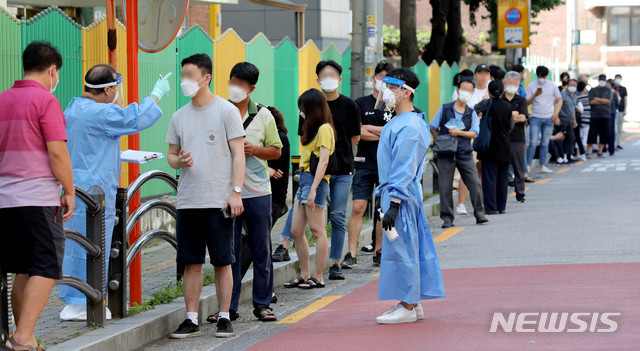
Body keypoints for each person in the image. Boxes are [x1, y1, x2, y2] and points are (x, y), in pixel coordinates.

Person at [59, 64, 170, 321]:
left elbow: (89, 147)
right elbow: (136, 119)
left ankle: (74, 298)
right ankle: (84, 302)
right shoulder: (103, 112)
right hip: (95, 190)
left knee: (75, 244)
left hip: (75, 186)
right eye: (116, 88)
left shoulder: (74, 108)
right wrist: (156, 95)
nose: (117, 93)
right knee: (95, 243)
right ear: (108, 89)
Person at [0, 41, 74, 351]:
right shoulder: (45, 102)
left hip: (5, 200)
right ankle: (23, 339)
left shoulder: (3, 99)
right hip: (38, 198)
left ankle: (24, 340)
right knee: (45, 267)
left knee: (24, 268)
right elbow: (57, 152)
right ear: (52, 70)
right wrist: (69, 190)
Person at [166, 53, 245, 339]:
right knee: (191, 262)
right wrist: (180, 162)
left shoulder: (226, 111)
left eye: (190, 75)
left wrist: (236, 192)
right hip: (188, 200)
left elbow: (239, 154)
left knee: (223, 261)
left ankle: (224, 315)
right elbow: (171, 157)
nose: (185, 81)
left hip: (219, 200)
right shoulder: (179, 116)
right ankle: (191, 318)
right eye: (183, 75)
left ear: (205, 78)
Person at [374, 68, 445, 324]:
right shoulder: (399, 122)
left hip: (400, 195)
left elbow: (403, 169)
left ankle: (407, 304)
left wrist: (393, 203)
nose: (386, 93)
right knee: (406, 247)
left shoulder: (411, 127)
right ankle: (412, 301)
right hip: (396, 192)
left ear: (405, 92)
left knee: (403, 248)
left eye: (391, 88)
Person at [224, 62, 282, 323]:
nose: (235, 87)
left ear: (252, 88)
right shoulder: (219, 110)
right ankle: (229, 307)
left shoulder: (264, 115)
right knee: (229, 251)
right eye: (232, 81)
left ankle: (262, 303)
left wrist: (254, 150)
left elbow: (277, 151)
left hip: (258, 191)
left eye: (241, 84)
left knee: (261, 249)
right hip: (226, 192)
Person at [342, 60, 393, 270]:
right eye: (380, 77)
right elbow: (357, 132)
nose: (383, 82)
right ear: (374, 78)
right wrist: (380, 132)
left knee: (382, 209)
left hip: (385, 166)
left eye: (388, 79)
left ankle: (378, 250)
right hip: (363, 163)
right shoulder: (360, 103)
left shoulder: (393, 106)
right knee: (357, 207)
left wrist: (370, 129)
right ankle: (351, 253)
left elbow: (392, 135)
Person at [283, 88, 335, 290]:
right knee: (296, 231)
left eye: (303, 108)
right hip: (304, 180)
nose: (301, 112)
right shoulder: (310, 128)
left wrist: (313, 189)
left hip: (316, 181)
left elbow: (323, 162)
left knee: (318, 230)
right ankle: (304, 274)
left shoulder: (324, 129)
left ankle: (319, 276)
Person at [430, 77, 488, 228]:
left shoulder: (471, 112)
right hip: (446, 154)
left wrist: (459, 134)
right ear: (457, 90)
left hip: (465, 152)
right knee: (445, 186)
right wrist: (443, 140)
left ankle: (479, 213)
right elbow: (433, 127)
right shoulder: (445, 109)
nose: (466, 93)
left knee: (474, 183)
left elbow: (474, 133)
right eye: (463, 90)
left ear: (473, 92)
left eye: (469, 91)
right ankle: (447, 218)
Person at [452, 64, 490, 216]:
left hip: (485, 134)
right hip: (468, 136)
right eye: (480, 73)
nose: (483, 76)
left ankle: (481, 203)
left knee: (482, 169)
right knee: (469, 170)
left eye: (485, 73)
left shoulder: (490, 90)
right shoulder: (463, 93)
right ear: (475, 76)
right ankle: (461, 203)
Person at [478, 81, 513, 214]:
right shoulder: (507, 106)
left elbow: (473, 110)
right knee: (502, 179)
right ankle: (501, 207)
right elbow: (511, 126)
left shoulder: (486, 103)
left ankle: (491, 208)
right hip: (505, 145)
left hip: (489, 146)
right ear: (503, 91)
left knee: (489, 179)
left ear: (489, 91)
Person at [526, 65, 563, 174]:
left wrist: (556, 113)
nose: (541, 78)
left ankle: (543, 165)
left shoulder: (552, 85)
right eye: (539, 76)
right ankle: (528, 165)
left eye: (543, 76)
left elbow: (559, 100)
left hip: (548, 118)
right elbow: (527, 102)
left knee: (545, 143)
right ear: (537, 75)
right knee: (533, 142)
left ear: (546, 75)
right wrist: (535, 95)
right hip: (535, 117)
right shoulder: (532, 86)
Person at [503, 71, 529, 203]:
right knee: (502, 167)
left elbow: (522, 118)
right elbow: (498, 118)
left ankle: (520, 192)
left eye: (515, 83)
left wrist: (509, 116)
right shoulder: (499, 99)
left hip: (517, 137)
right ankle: (501, 193)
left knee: (518, 166)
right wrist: (513, 115)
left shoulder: (521, 100)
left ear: (519, 84)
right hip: (501, 138)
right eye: (510, 83)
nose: (512, 85)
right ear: (505, 83)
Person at [267, 106, 291, 229]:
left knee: (259, 236)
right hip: (268, 197)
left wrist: (268, 170)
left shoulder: (280, 138)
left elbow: (272, 171)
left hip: (274, 198)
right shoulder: (268, 138)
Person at [586, 74, 612, 158]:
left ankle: (600, 151)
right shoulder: (593, 90)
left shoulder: (608, 90)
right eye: (601, 80)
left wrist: (597, 99)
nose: (602, 82)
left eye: (604, 80)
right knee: (592, 133)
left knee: (604, 134)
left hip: (605, 115)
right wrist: (602, 101)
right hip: (594, 115)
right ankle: (588, 151)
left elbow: (608, 101)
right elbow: (591, 102)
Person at [555, 79, 580, 164]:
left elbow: (572, 109)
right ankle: (563, 156)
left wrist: (574, 120)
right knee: (562, 137)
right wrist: (556, 117)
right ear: (568, 85)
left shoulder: (575, 96)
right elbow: (557, 105)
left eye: (574, 85)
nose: (572, 87)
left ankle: (568, 155)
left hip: (569, 120)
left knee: (571, 138)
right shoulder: (562, 94)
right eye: (571, 85)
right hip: (562, 119)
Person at [576, 79, 591, 159]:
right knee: (584, 137)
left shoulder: (576, 97)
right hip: (587, 119)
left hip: (579, 119)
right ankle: (583, 153)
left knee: (579, 137)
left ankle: (578, 153)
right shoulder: (588, 97)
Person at [605, 79, 620, 157]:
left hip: (611, 114)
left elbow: (617, 104)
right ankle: (603, 149)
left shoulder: (614, 93)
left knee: (611, 132)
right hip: (601, 114)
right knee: (603, 132)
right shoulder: (601, 92)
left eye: (608, 85)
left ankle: (611, 150)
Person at [614, 74, 627, 149]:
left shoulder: (623, 89)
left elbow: (625, 99)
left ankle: (618, 143)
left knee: (619, 128)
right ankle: (613, 143)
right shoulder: (612, 87)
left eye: (619, 78)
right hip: (613, 110)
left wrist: (625, 109)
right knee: (613, 128)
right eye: (617, 78)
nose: (617, 79)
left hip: (621, 110)